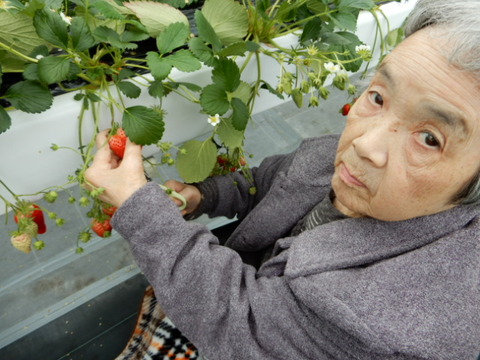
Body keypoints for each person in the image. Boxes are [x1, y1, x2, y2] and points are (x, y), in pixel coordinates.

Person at [85, 0, 480, 358]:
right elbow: (270, 181)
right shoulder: (341, 159)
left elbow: (242, 327)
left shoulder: (404, 316)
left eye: (430, 139)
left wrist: (143, 213)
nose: (365, 144)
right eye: (378, 97)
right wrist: (202, 196)